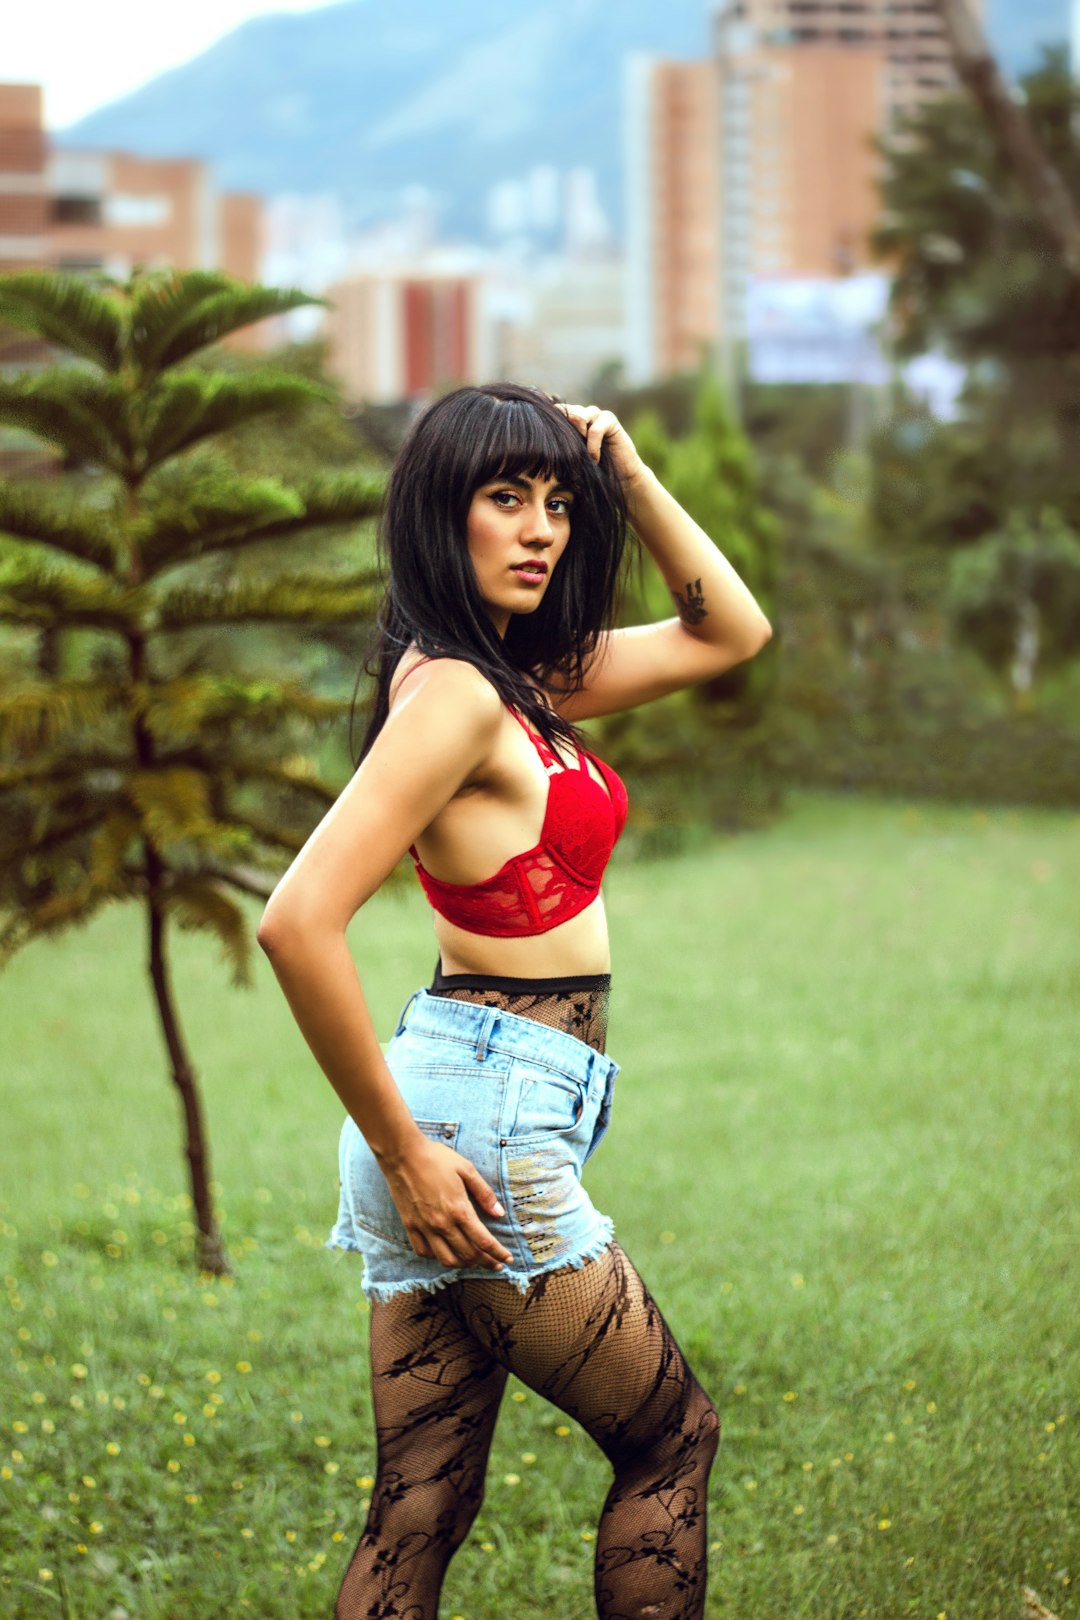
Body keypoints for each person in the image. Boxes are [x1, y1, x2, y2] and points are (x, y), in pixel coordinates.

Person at [256, 382, 772, 1620]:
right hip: (471, 1121)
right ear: (445, 515)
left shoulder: (512, 677)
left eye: (558, 504)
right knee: (671, 1441)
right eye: (507, 499)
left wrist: (630, 477)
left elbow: (729, 633)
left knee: (419, 1503)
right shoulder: (460, 700)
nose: (542, 529)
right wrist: (409, 1154)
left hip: (461, 1094)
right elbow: (294, 920)